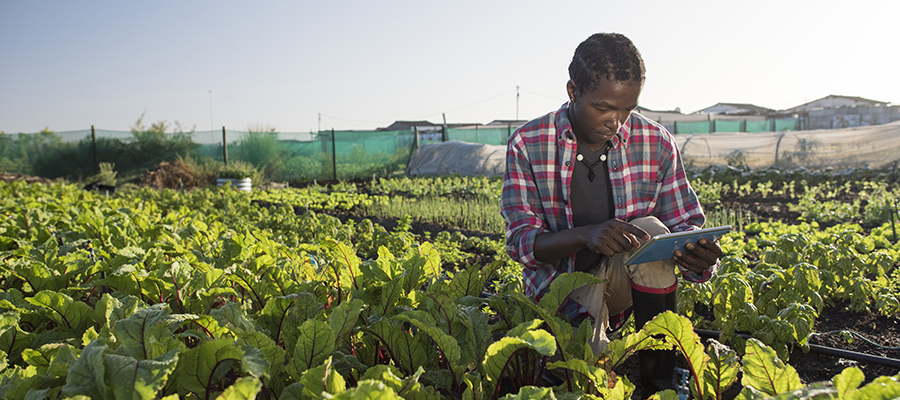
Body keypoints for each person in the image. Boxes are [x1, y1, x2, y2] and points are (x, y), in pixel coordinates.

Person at [500, 32, 723, 395]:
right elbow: (522, 243)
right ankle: (576, 356)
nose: (615, 121)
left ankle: (659, 385)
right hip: (558, 295)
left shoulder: (656, 142)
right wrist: (585, 234)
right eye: (603, 108)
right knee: (582, 381)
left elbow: (685, 224)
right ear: (573, 91)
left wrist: (697, 257)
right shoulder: (528, 143)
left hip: (619, 288)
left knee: (652, 229)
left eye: (627, 109)